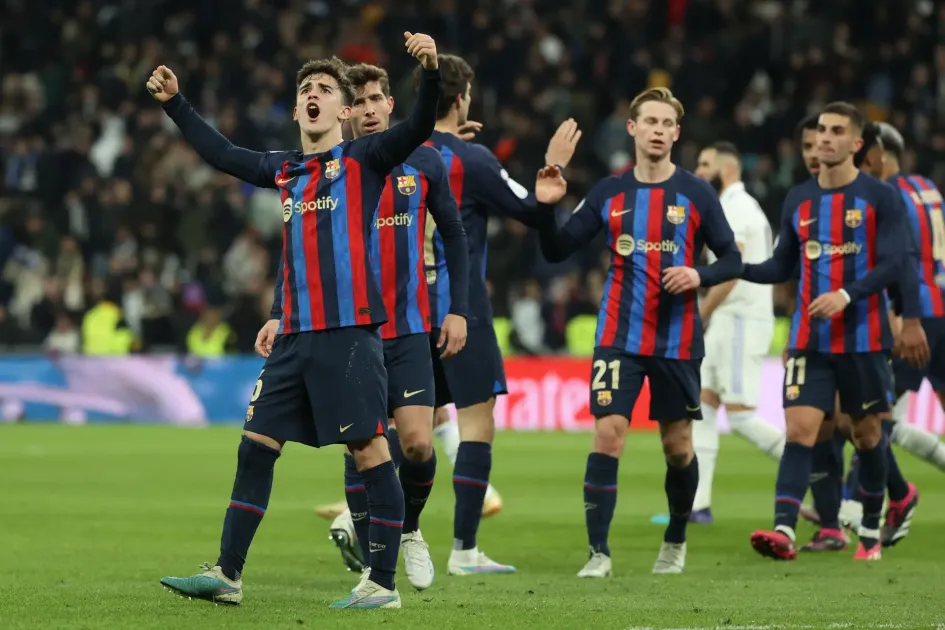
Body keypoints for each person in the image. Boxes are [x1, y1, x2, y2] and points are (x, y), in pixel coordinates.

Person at [154, 32, 444, 610]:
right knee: (255, 446)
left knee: (370, 452)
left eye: (326, 89)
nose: (314, 94)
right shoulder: (285, 170)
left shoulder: (365, 159)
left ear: (344, 110)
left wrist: (430, 73)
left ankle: (382, 585)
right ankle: (228, 575)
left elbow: (418, 125)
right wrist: (176, 104)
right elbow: (224, 154)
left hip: (349, 335)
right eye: (306, 88)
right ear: (296, 110)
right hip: (293, 338)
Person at [261, 62, 470, 591]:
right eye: (362, 101)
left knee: (417, 444)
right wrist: (279, 309)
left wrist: (458, 308)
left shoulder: (423, 161)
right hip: (350, 329)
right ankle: (374, 560)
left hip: (408, 326)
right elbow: (298, 250)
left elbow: (453, 232)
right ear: (346, 111)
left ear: (390, 105)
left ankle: (410, 530)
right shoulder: (332, 167)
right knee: (363, 445)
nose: (371, 109)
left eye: (379, 99)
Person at [534, 87, 743, 577]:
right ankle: (598, 554)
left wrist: (698, 274)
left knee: (678, 447)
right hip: (618, 337)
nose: (657, 130)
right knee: (608, 435)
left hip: (677, 339)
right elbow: (556, 250)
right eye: (650, 121)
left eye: (667, 123)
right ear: (632, 128)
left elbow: (733, 259)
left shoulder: (696, 193)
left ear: (677, 133)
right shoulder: (609, 192)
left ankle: (675, 539)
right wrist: (545, 207)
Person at [740, 102, 928, 562]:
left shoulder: (880, 197)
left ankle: (869, 533)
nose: (825, 138)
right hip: (810, 340)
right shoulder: (799, 199)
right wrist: (729, 267)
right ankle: (783, 530)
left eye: (836, 131)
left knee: (867, 436)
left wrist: (876, 306)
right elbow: (781, 266)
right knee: (800, 430)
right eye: (821, 130)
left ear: (856, 143)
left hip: (864, 337)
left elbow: (895, 263)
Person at [417, 53, 581, 575]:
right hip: (460, 309)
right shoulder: (473, 160)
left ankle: (369, 530)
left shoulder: (396, 151)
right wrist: (555, 169)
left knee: (408, 427)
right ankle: (464, 551)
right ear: (462, 99)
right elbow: (532, 209)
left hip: (403, 310)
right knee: (476, 422)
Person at [656, 141, 779, 525]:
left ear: (726, 169)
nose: (698, 170)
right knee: (704, 408)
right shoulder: (726, 204)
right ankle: (697, 505)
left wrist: (701, 313)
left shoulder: (737, 205)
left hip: (740, 318)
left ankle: (814, 468)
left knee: (741, 417)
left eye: (705, 164)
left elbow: (732, 269)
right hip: (725, 320)